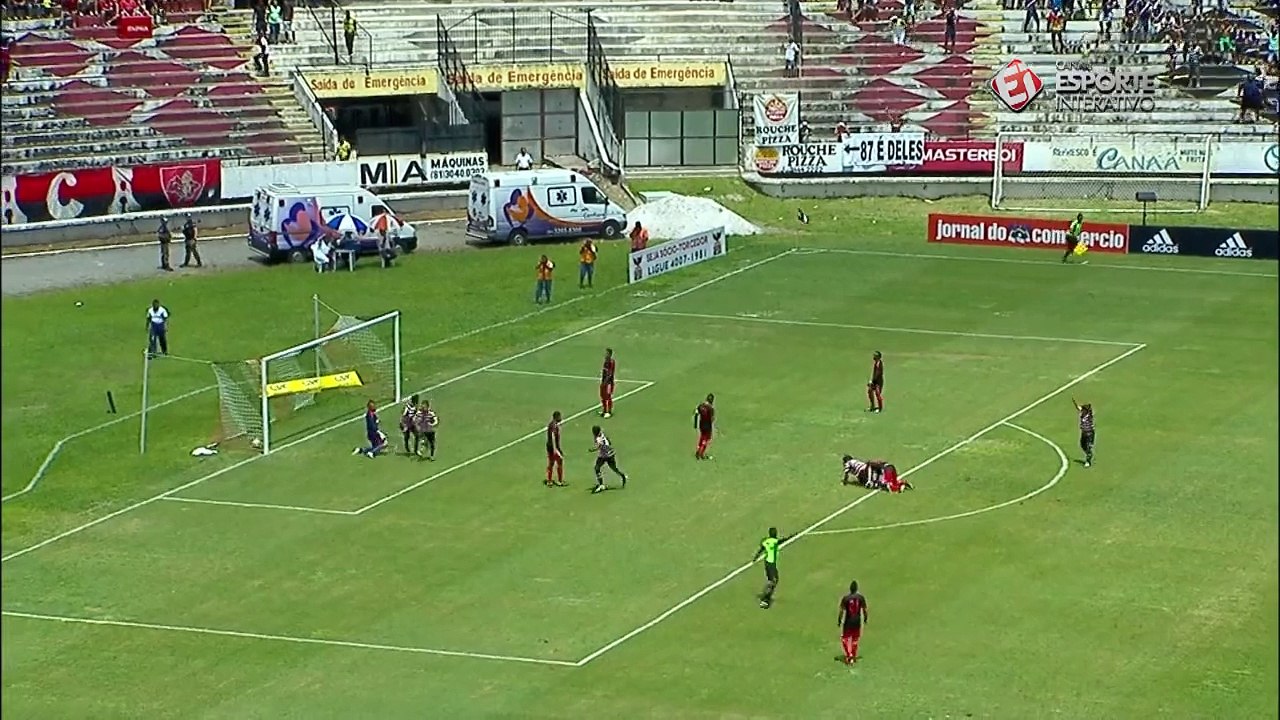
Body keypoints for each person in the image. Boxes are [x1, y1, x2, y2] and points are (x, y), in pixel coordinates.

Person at [753, 527, 793, 609]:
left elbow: (761, 549)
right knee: (773, 581)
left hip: (767, 563)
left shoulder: (766, 541)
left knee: (773, 580)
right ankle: (765, 599)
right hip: (771, 564)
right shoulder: (775, 541)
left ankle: (766, 596)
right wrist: (790, 537)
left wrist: (755, 558)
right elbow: (782, 541)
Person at [837, 581, 869, 664]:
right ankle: (853, 655)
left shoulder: (846, 598)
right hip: (857, 621)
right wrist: (865, 619)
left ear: (850, 589)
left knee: (845, 638)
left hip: (848, 621)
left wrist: (839, 620)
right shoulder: (861, 598)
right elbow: (865, 609)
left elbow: (841, 611)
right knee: (855, 639)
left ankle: (849, 655)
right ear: (857, 589)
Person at [589, 425, 627, 494]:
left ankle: (601, 485)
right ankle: (622, 475)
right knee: (613, 468)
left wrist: (592, 449)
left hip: (604, 456)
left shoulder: (598, 439)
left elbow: (598, 446)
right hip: (610, 454)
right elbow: (609, 441)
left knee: (597, 468)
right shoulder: (602, 434)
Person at [1072, 397, 1095, 467]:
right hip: (1084, 433)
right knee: (1082, 445)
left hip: (1089, 433)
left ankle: (1088, 461)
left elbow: (1081, 408)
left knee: (1088, 446)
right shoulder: (1083, 413)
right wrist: (1074, 402)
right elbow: (1078, 407)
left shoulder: (1089, 414)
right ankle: (1089, 454)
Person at [545, 410, 566, 487]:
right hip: (553, 447)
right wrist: (556, 450)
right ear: (556, 417)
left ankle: (549, 481)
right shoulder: (554, 426)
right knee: (558, 462)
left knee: (551, 463)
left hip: (551, 447)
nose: (561, 418)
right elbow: (553, 437)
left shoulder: (552, 424)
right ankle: (559, 481)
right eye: (559, 416)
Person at [694, 393, 715, 460]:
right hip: (707, 426)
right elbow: (712, 418)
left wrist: (695, 424)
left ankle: (698, 451)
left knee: (702, 437)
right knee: (706, 439)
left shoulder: (701, 405)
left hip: (701, 424)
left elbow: (696, 413)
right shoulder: (710, 408)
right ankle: (701, 453)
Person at [599, 347, 616, 418]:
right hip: (603, 381)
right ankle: (604, 410)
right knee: (602, 396)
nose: (605, 354)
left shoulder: (611, 362)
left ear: (610, 354)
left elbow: (610, 374)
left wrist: (606, 382)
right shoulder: (605, 361)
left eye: (607, 353)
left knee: (608, 397)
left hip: (609, 383)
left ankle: (609, 411)